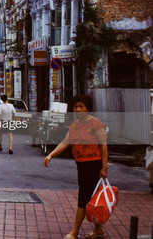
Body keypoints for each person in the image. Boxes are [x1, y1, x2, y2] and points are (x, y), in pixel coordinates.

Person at [43, 95, 108, 239]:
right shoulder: (74, 125)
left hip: (93, 164)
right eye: (75, 107)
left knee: (83, 197)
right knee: (90, 197)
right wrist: (51, 155)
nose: (78, 110)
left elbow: (104, 146)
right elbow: (65, 142)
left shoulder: (95, 123)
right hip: (81, 165)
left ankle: (75, 231)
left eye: (81, 107)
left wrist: (104, 168)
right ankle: (98, 229)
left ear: (88, 108)